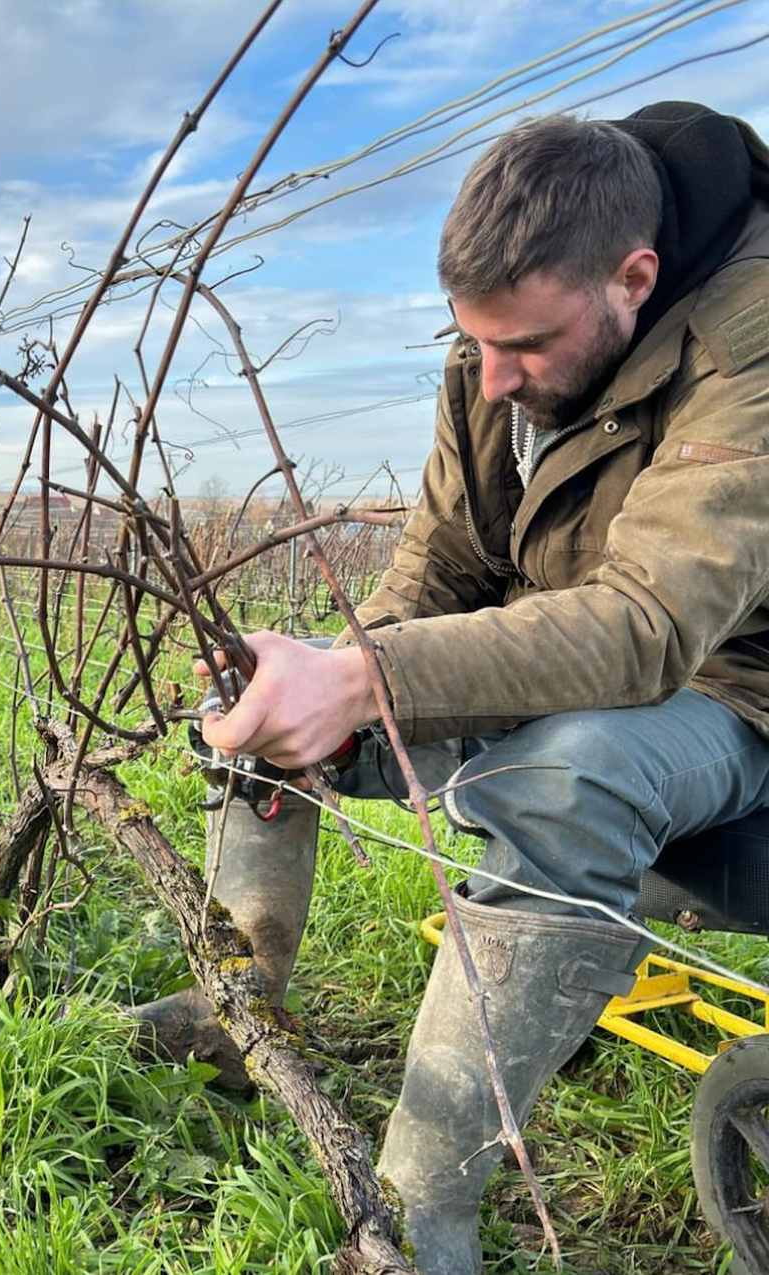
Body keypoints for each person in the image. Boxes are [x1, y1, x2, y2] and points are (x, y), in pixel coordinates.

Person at [132, 101, 769, 1274]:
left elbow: (647, 628)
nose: (490, 378)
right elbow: (441, 567)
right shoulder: (502, 355)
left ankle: (421, 1205)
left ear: (632, 280)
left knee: (561, 777)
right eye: (470, 341)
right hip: (553, 652)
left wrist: (367, 676)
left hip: (731, 694)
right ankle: (241, 1000)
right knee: (261, 702)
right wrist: (322, 672)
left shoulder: (752, 343)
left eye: (519, 348)